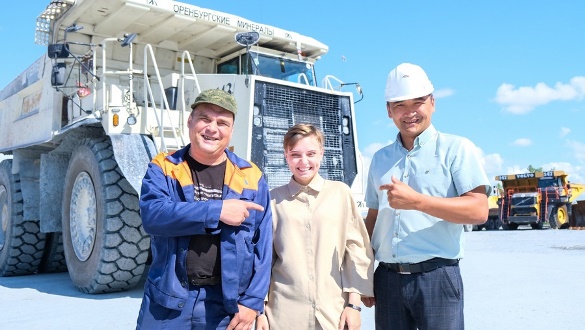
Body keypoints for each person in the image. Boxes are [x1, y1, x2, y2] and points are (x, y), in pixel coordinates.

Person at [361, 63, 491, 330]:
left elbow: (479, 210)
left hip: (437, 278)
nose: (409, 113)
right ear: (388, 110)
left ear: (432, 103)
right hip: (387, 280)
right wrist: (362, 275)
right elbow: (373, 219)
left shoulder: (456, 149)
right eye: (399, 105)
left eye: (417, 102)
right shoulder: (380, 159)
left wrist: (417, 201)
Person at [137, 89, 273, 329]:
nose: (213, 128)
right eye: (205, 119)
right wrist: (217, 211)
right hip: (167, 302)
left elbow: (263, 245)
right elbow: (153, 215)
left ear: (231, 131)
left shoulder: (251, 177)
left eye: (222, 123)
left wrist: (253, 302)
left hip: (226, 307)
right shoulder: (164, 168)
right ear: (190, 122)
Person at [255, 124, 374, 330]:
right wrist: (260, 310)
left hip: (333, 313)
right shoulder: (272, 200)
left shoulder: (340, 193)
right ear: (286, 155)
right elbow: (263, 258)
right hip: (283, 315)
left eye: (311, 153)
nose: (304, 162)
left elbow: (356, 250)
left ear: (322, 153)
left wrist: (353, 305)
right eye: (295, 154)